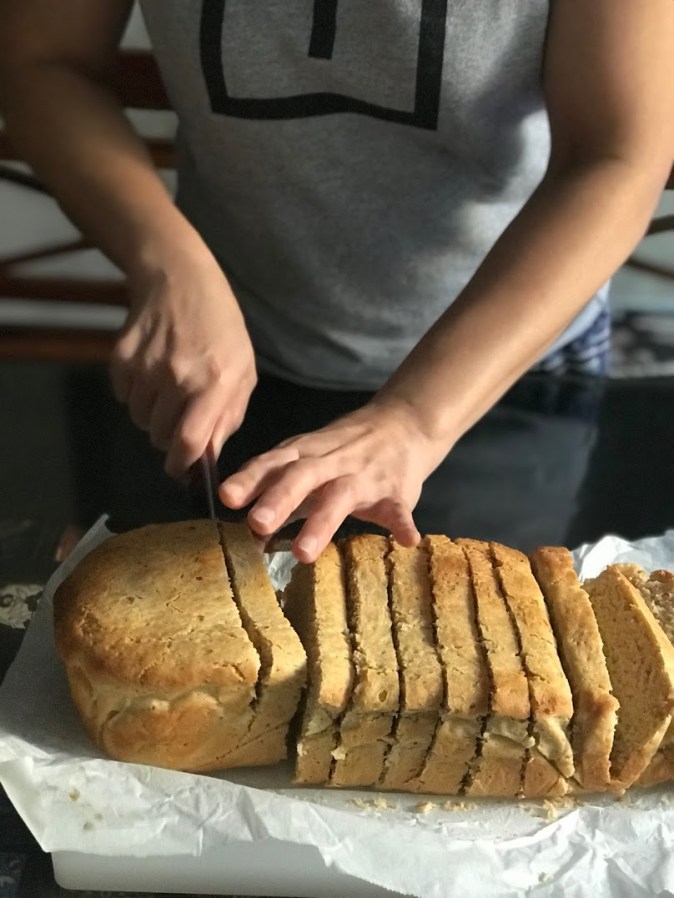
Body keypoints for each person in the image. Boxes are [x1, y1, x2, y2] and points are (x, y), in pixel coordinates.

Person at [0, 1, 672, 562]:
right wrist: (166, 263)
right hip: (223, 354)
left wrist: (415, 416)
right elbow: (43, 64)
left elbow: (618, 152)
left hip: (504, 378)